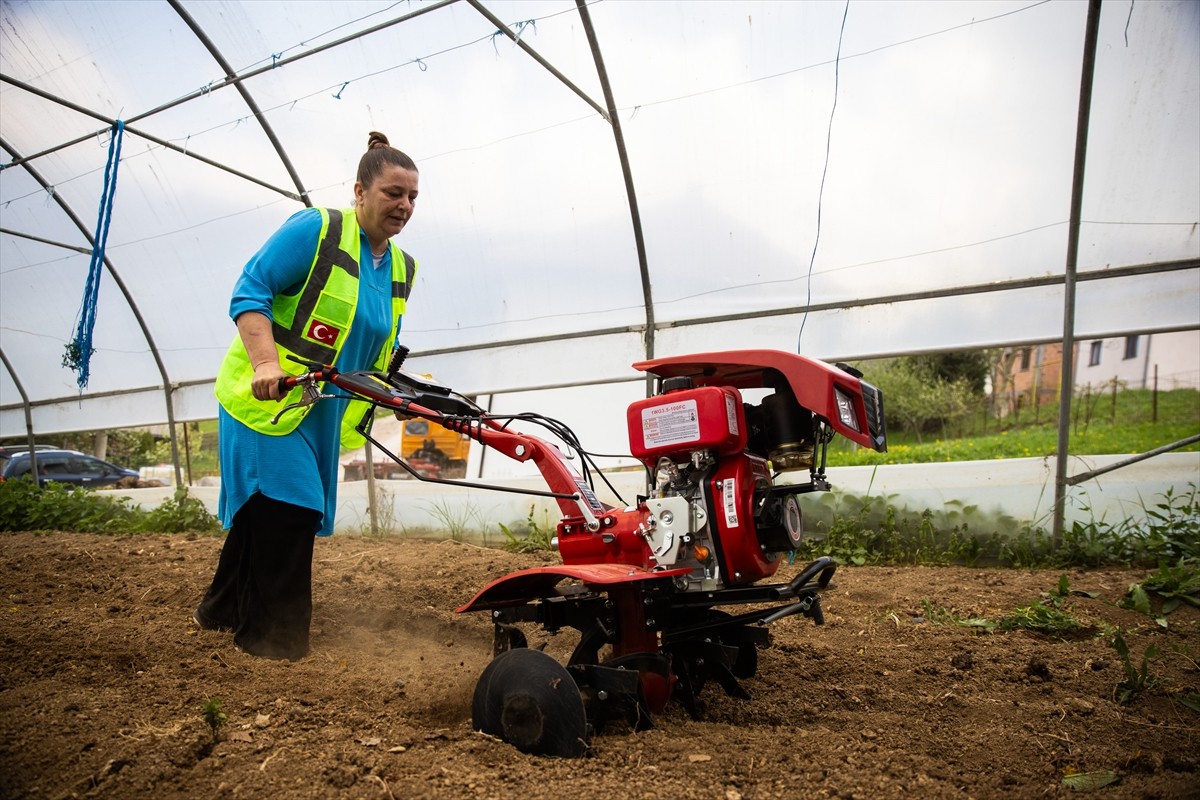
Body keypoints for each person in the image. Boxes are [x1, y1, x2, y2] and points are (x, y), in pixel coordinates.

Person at [194, 131, 420, 660]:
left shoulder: (404, 267)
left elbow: (372, 341)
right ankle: (273, 641)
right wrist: (266, 364)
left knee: (264, 510)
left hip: (321, 409)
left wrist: (399, 385)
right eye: (393, 193)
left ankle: (220, 609)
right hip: (270, 397)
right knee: (291, 508)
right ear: (360, 191)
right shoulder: (317, 230)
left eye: (412, 196)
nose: (404, 206)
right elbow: (251, 289)